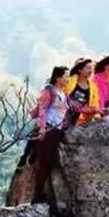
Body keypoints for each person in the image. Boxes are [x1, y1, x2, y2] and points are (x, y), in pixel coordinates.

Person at [32, 66, 70, 203]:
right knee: (43, 163)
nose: (68, 79)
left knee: (49, 163)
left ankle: (42, 192)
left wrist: (96, 109)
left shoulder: (63, 94)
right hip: (47, 129)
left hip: (55, 131)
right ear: (58, 78)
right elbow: (41, 110)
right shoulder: (49, 91)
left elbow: (74, 107)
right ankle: (36, 195)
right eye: (66, 76)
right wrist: (42, 129)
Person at [65, 58, 101, 126]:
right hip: (60, 114)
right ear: (79, 70)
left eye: (91, 68)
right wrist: (69, 101)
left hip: (75, 119)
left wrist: (97, 114)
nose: (90, 71)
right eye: (88, 68)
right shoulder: (69, 81)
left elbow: (94, 105)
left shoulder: (93, 88)